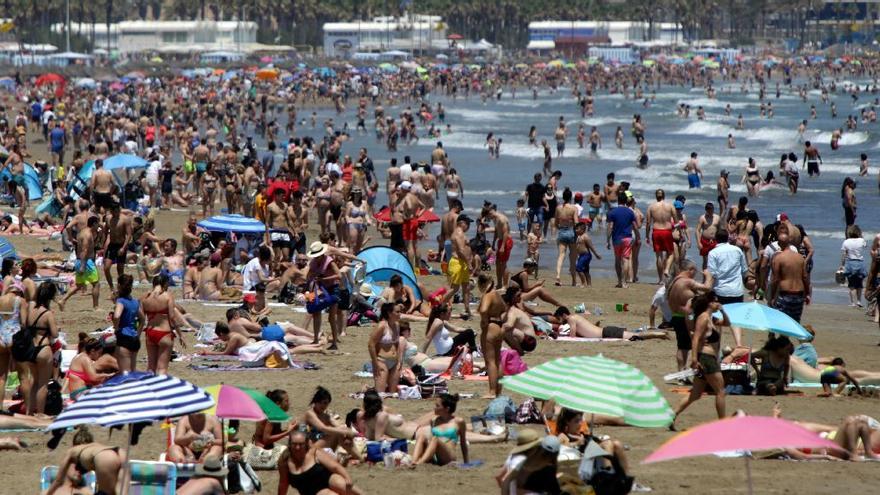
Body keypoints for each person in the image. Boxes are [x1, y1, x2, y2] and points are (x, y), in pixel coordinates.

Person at [671, 292, 730, 427]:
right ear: (709, 303)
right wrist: (693, 359)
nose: (718, 303)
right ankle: (723, 424)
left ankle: (672, 415)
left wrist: (723, 310)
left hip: (707, 358)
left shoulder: (712, 318)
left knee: (695, 394)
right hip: (706, 358)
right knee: (721, 391)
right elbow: (696, 338)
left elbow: (727, 323)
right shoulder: (703, 318)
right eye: (716, 301)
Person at [16, 281, 58, 414]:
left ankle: (30, 411)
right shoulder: (47, 313)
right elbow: (55, 334)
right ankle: (40, 413)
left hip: (31, 349)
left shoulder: (30, 308)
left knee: (34, 382)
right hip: (43, 348)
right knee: (43, 384)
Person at [277, 430, 363, 495]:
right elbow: (283, 484)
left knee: (345, 486)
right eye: (294, 444)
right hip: (312, 491)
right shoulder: (285, 462)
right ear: (289, 444)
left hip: (328, 479)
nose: (297, 447)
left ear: (306, 444)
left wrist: (347, 478)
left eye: (301, 444)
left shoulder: (314, 452)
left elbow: (335, 467)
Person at [46, 426, 124, 495]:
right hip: (120, 452)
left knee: (105, 493)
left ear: (75, 444)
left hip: (105, 458)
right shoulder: (95, 447)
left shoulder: (72, 451)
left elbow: (58, 481)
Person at [141, 274, 185, 375]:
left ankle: (149, 388)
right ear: (165, 284)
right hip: (164, 333)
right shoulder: (167, 296)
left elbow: (141, 318)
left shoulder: (144, 297)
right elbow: (172, 317)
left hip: (150, 333)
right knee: (162, 368)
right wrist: (180, 334)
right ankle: (160, 389)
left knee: (151, 367)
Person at [301, 386, 360, 461]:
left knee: (340, 433)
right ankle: (359, 458)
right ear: (315, 402)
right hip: (306, 448)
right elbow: (323, 428)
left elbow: (339, 426)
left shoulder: (325, 416)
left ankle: (358, 457)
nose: (324, 406)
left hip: (319, 445)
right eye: (321, 403)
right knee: (336, 433)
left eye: (326, 403)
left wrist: (347, 435)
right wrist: (345, 432)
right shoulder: (309, 414)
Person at [769, 224, 811, 323]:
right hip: (799, 294)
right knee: (795, 322)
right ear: (789, 242)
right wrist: (807, 294)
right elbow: (805, 277)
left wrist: (772, 296)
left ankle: (783, 338)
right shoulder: (800, 257)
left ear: (779, 244)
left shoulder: (778, 258)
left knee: (782, 320)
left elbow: (775, 279)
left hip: (785, 293)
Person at [412, 393, 468, 465]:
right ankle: (413, 461)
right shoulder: (434, 421)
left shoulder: (459, 421)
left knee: (435, 439)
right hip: (435, 455)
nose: (434, 408)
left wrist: (466, 461)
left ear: (447, 409)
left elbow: (463, 443)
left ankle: (419, 463)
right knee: (421, 437)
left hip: (449, 456)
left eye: (437, 406)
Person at [554, 306, 668, 341]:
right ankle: (657, 334)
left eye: (559, 318)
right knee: (633, 334)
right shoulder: (576, 316)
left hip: (606, 333)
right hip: (606, 331)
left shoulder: (571, 319)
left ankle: (658, 334)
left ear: (563, 315)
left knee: (635, 336)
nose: (560, 321)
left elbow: (572, 336)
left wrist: (560, 336)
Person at [307, 242, 343, 349]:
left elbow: (339, 275)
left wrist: (323, 279)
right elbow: (309, 275)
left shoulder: (329, 261)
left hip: (333, 289)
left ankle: (335, 343)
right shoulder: (313, 262)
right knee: (316, 312)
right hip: (321, 288)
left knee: (331, 317)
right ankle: (315, 339)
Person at [60, 216, 100, 311]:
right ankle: (96, 307)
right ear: (94, 224)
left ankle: (62, 300)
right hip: (86, 262)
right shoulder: (88, 234)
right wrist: (83, 265)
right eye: (98, 223)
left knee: (79, 285)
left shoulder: (82, 232)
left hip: (80, 260)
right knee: (96, 284)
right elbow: (85, 250)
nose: (99, 225)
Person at [112, 274, 144, 372]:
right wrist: (138, 333)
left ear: (119, 285)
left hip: (124, 337)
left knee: (125, 373)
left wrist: (116, 328)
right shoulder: (135, 302)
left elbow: (117, 316)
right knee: (133, 371)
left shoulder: (121, 301)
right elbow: (142, 319)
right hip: (134, 338)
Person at [447, 214, 476, 319]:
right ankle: (440, 305)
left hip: (463, 263)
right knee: (454, 288)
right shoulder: (458, 233)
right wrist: (468, 263)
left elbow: (466, 248)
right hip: (458, 263)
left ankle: (467, 310)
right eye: (467, 223)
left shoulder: (462, 233)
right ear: (461, 223)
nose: (468, 226)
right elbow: (460, 250)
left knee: (466, 288)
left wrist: (470, 259)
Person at [369, 303, 402, 394]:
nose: (400, 314)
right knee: (380, 393)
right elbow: (371, 344)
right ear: (389, 313)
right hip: (382, 361)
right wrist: (375, 363)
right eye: (397, 312)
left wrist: (399, 361)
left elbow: (397, 344)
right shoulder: (382, 326)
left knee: (392, 393)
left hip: (394, 362)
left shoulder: (397, 325)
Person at [606, 195, 637, 288]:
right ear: (625, 201)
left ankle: (619, 281)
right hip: (627, 238)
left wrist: (607, 240)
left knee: (617, 259)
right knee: (626, 259)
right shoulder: (630, 212)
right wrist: (638, 236)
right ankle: (624, 282)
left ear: (618, 201)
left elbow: (610, 227)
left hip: (617, 238)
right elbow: (635, 226)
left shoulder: (613, 212)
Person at [645, 189, 675, 284]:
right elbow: (677, 221)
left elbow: (648, 223)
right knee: (671, 253)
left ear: (656, 196)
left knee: (659, 256)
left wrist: (647, 235)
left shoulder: (651, 207)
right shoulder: (670, 206)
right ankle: (666, 269)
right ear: (664, 196)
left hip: (656, 231)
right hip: (667, 231)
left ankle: (660, 279)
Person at [553, 188, 579, 287]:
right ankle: (573, 281)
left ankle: (558, 276)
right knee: (572, 258)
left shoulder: (558, 208)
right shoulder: (573, 208)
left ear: (563, 197)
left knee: (561, 255)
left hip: (562, 232)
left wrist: (559, 229)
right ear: (570, 197)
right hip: (571, 232)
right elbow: (576, 222)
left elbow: (555, 222)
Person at [841, 225, 868, 307]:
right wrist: (861, 236)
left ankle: (853, 303)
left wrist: (842, 265)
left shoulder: (846, 242)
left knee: (851, 284)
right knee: (859, 283)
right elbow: (866, 246)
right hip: (860, 262)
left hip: (850, 262)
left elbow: (844, 255)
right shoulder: (861, 240)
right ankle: (859, 301)